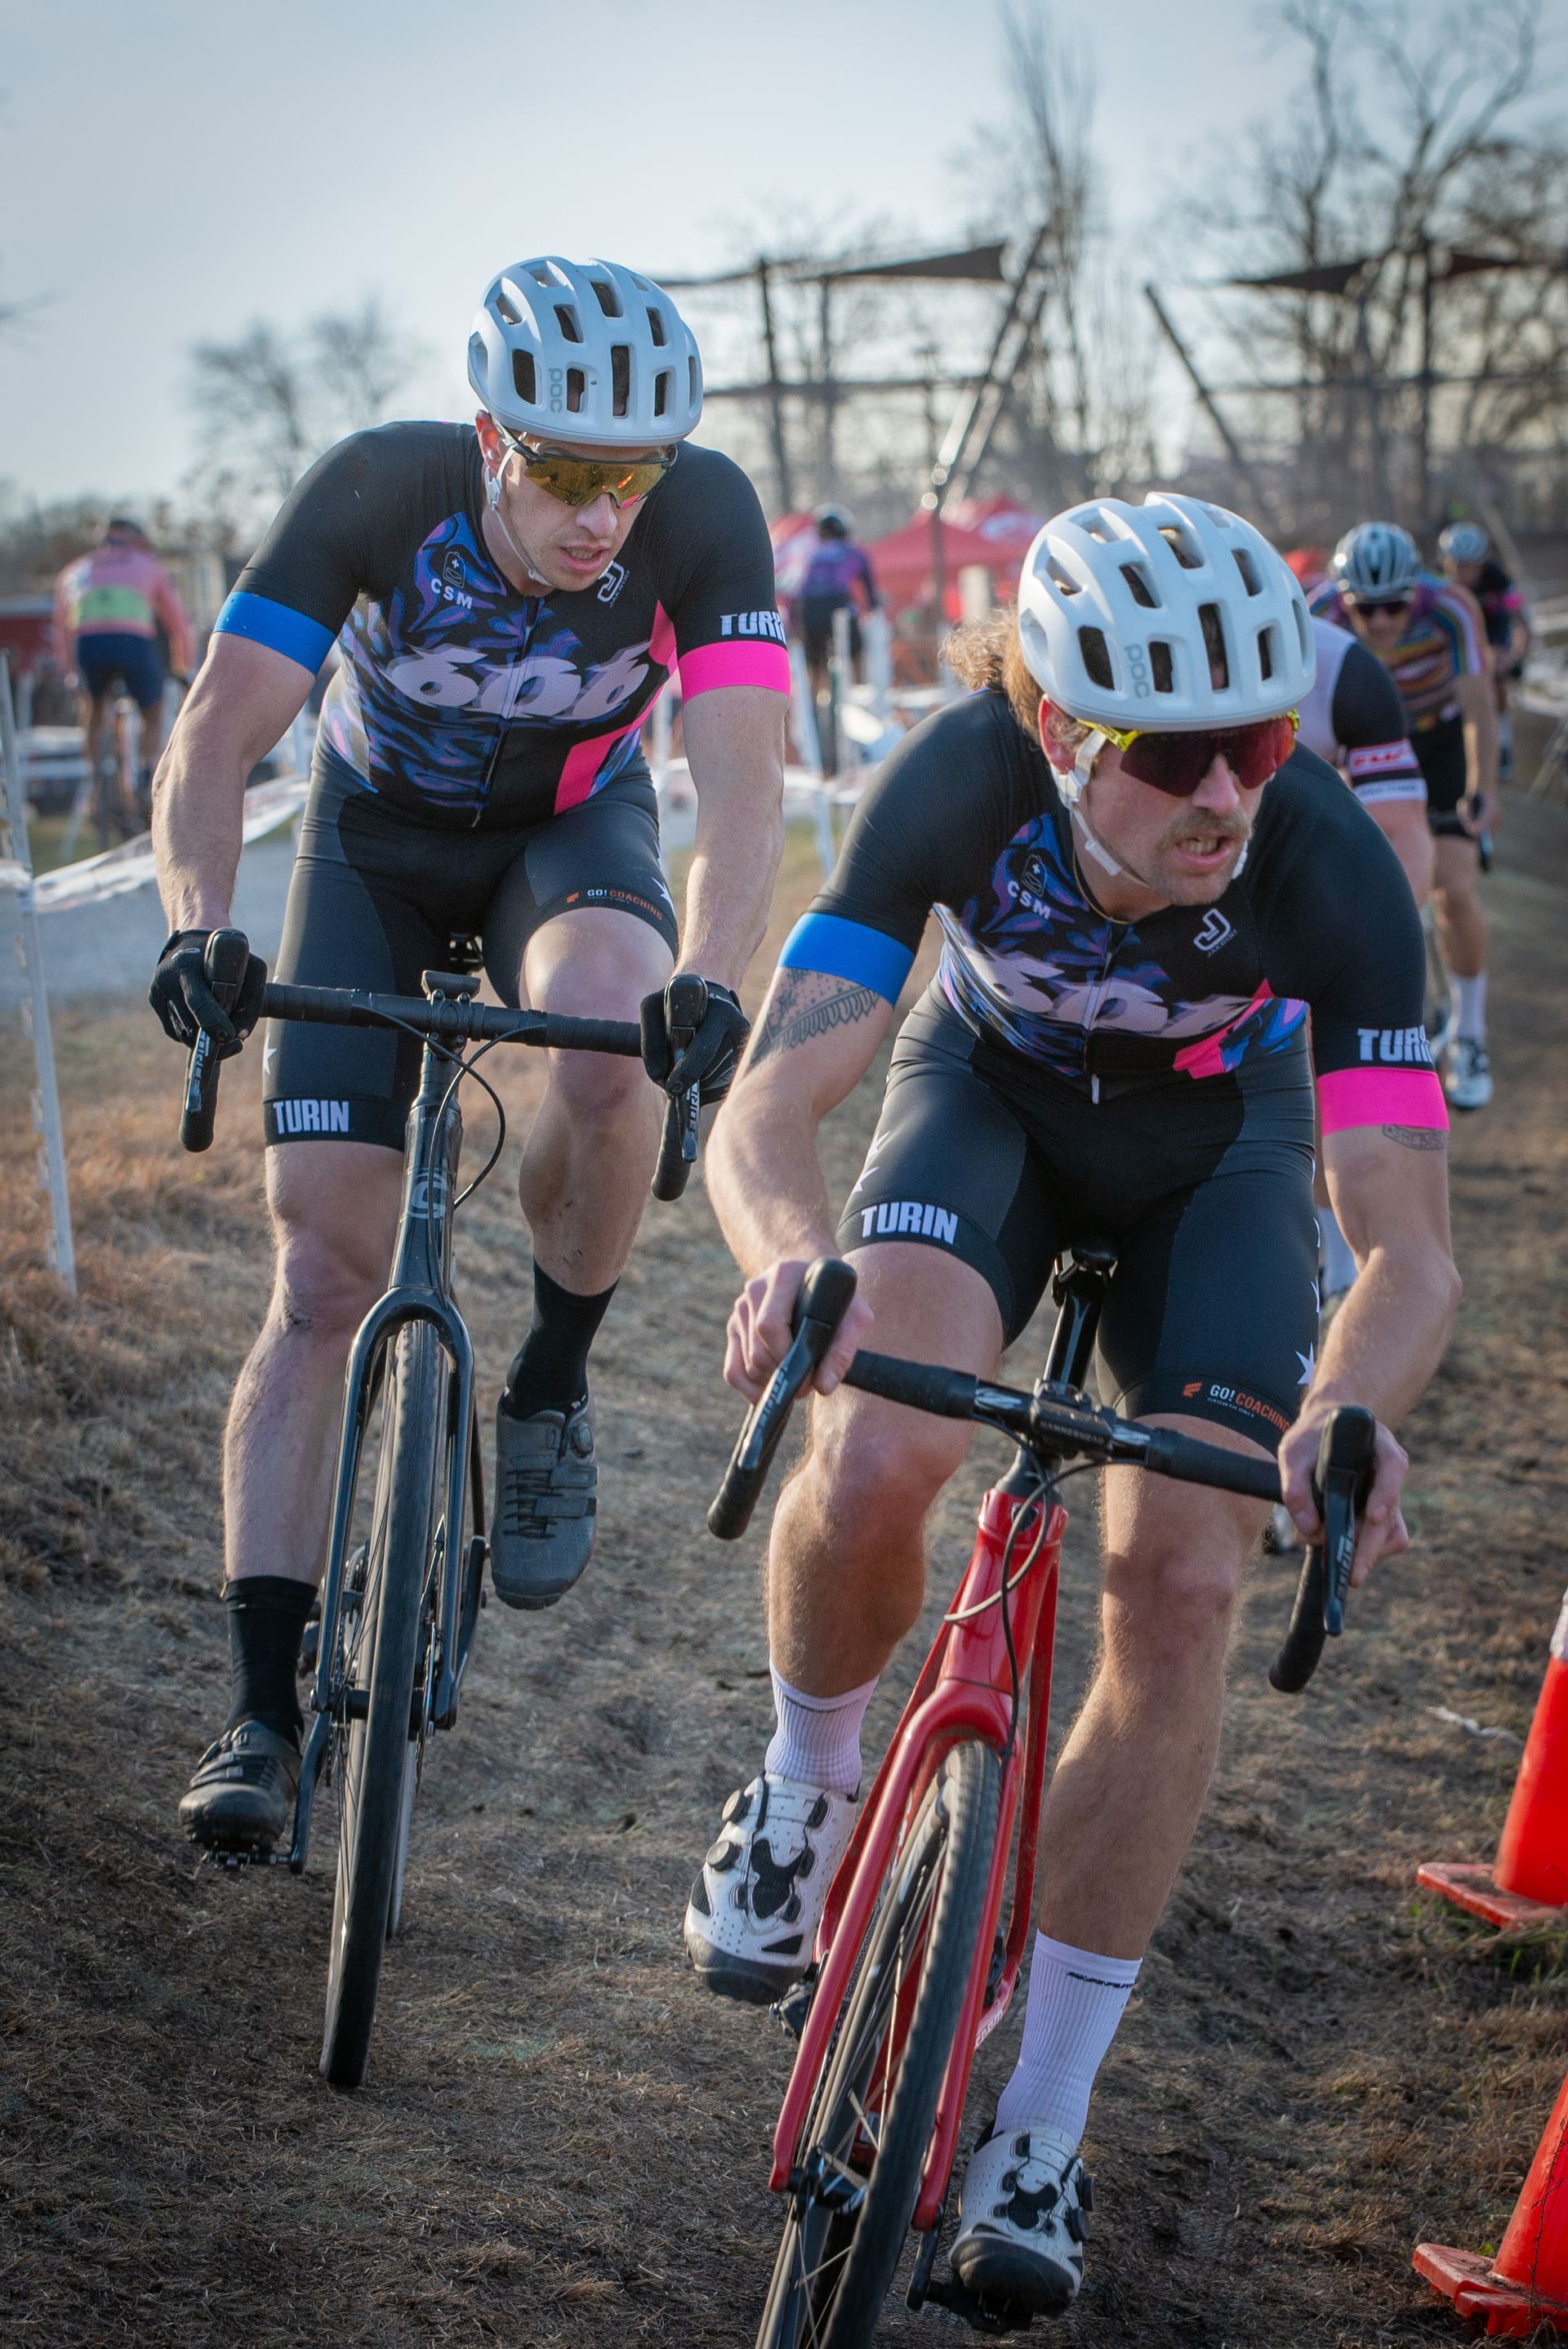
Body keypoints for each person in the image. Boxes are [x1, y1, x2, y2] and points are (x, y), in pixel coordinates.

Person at [685, 493, 1458, 2318]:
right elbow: (771, 1110)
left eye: (1259, 738)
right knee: (880, 1430)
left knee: (1186, 1575)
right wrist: (795, 1259)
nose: (1228, 793)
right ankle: (805, 1789)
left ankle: (1040, 2117)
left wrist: (1343, 1408)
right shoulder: (956, 785)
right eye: (1177, 752)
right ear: (1055, 727)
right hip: (996, 1102)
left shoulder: (1330, 868)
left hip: (1224, 1159)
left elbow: (1408, 1249)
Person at [152, 256, 790, 1852]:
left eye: (630, 475)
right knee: (321, 1274)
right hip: (369, 847)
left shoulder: (705, 517)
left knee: (610, 1048)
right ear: (491, 433)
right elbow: (219, 730)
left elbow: (745, 784)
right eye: (568, 471)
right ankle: (257, 1707)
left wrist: (713, 975)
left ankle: (552, 1383)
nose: (604, 514)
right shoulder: (379, 483)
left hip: (567, 838)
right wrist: (195, 921)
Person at [1311, 523, 1497, 1112]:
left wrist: (1482, 787)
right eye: (1368, 610)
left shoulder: (1450, 608)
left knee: (1454, 889)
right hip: (1358, 747)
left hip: (1435, 741)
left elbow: (1479, 707)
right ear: (1344, 600)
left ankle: (1470, 1034)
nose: (1384, 623)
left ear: (1414, 591)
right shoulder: (1318, 611)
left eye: (1395, 606)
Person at [1298, 611, 1431, 1320]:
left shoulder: (1346, 671)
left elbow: (1403, 835)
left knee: (1322, 1055)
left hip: (1311, 865)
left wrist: (1384, 956)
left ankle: (1332, 1256)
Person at [53, 517, 194, 828]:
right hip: (132, 643)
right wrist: (184, 665)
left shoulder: (77, 569)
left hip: (88, 645)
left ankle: (96, 783)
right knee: (152, 711)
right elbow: (178, 623)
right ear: (136, 540)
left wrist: (68, 673)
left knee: (93, 708)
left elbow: (60, 628)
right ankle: (146, 773)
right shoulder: (147, 564)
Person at [1439, 521, 1530, 783]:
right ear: (1444, 560)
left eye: (1469, 565)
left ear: (1482, 563)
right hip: (1452, 640)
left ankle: (1501, 743)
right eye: (1455, 564)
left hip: (1491, 638)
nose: (1461, 572)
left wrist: (1516, 657)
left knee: (1495, 672)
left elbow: (1522, 624)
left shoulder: (1499, 580)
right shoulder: (1435, 580)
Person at [794, 505, 880, 771]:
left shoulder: (812, 553)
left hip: (808, 609)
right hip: (837, 605)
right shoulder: (853, 551)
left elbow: (800, 588)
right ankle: (860, 692)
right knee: (856, 654)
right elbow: (870, 591)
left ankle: (812, 707)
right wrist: (871, 611)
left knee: (815, 673)